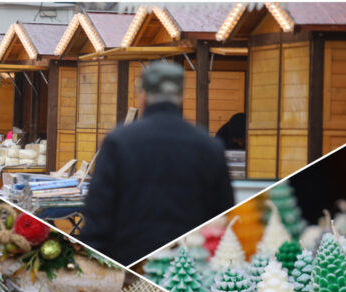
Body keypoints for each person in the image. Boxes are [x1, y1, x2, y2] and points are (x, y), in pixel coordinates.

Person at [79, 61, 234, 266]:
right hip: (189, 270)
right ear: (182, 96)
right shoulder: (210, 147)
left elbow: (98, 215)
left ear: (143, 94)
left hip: (128, 262)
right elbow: (223, 214)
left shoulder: (118, 142)